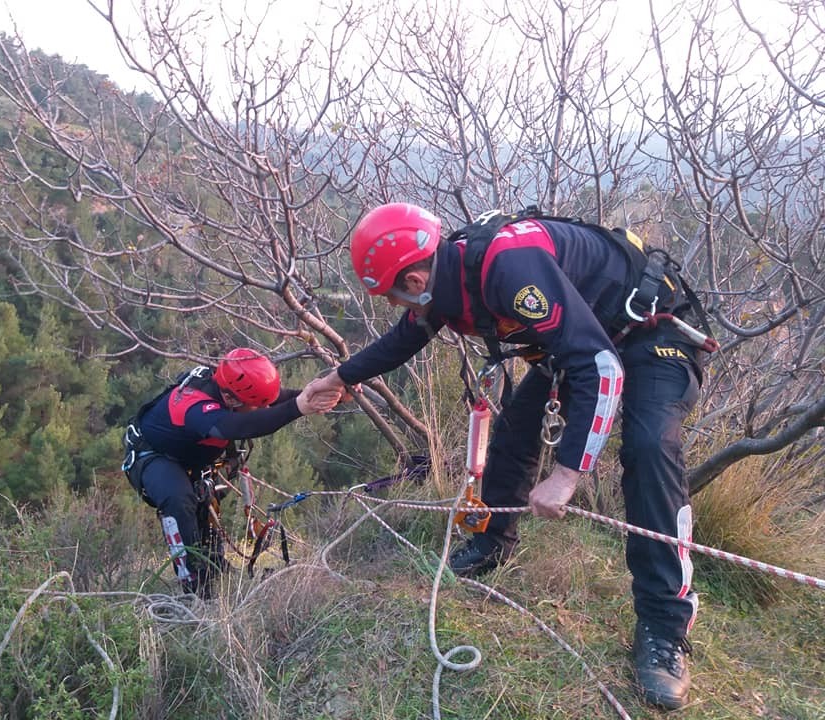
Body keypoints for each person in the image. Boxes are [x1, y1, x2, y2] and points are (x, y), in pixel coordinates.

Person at [308, 202, 708, 710]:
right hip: (584, 337)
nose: (395, 306)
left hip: (653, 331)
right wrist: (338, 379)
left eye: (392, 295)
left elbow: (601, 368)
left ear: (413, 279)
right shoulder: (449, 275)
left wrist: (567, 473)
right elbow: (405, 338)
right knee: (516, 430)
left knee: (650, 447)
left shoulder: (507, 268)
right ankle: (493, 541)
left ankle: (664, 630)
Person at [122, 348, 340, 597]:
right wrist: (299, 407)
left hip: (188, 457)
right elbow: (236, 426)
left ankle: (216, 568)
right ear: (233, 400)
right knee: (179, 501)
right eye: (256, 405)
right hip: (152, 456)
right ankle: (194, 585)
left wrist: (320, 392)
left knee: (205, 505)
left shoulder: (232, 387)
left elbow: (273, 398)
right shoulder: (194, 405)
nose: (261, 408)